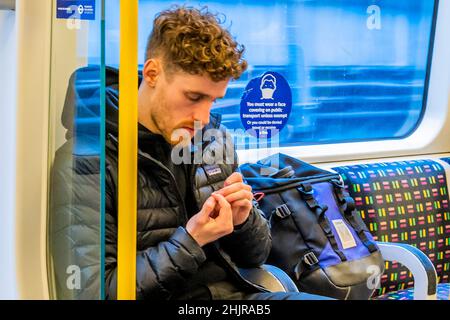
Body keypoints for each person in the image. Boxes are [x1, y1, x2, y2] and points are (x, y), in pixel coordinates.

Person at [49, 6, 332, 300]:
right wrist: (192, 240)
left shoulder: (212, 141)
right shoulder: (87, 162)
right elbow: (94, 290)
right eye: (194, 97)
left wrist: (242, 221)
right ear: (152, 73)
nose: (203, 116)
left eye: (213, 100)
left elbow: (255, 257)